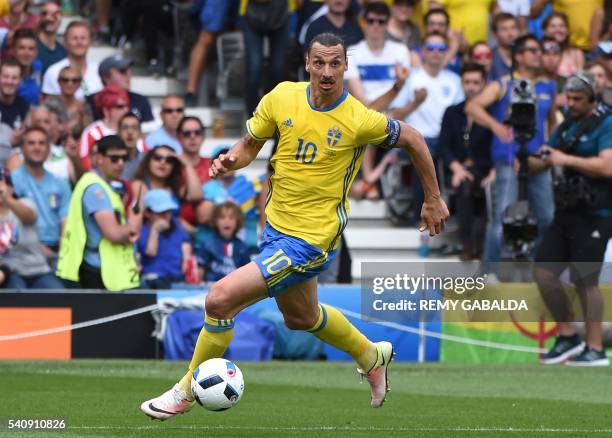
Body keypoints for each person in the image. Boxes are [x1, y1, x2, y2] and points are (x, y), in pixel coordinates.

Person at [140, 32, 448, 419]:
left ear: (346, 67)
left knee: (219, 299)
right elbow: (249, 145)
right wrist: (230, 160)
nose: (327, 71)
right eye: (319, 62)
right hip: (276, 232)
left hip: (311, 241)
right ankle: (372, 355)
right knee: (301, 317)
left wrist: (432, 198)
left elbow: (415, 139)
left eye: (335, 63)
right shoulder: (281, 96)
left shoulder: (358, 118)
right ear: (307, 63)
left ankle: (185, 390)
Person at [529, 72, 612, 366]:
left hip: (597, 212)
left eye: (578, 99)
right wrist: (525, 153)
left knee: (584, 280)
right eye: (569, 98)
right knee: (543, 272)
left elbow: (607, 165)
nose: (571, 103)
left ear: (592, 98)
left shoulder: (606, 122)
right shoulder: (566, 126)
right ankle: (567, 336)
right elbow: (544, 157)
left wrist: (565, 160)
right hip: (565, 211)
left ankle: (596, 348)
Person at [466, 34, 556, 271]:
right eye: (533, 50)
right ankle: (487, 274)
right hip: (508, 158)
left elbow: (553, 124)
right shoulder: (502, 84)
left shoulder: (548, 86)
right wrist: (495, 126)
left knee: (547, 217)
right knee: (501, 219)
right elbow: (472, 107)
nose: (539, 54)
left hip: (538, 160)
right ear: (519, 56)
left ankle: (538, 269)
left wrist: (551, 151)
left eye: (540, 50)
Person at [390, 33, 464, 222]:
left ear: (447, 53)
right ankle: (421, 217)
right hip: (417, 139)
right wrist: (416, 103)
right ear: (423, 51)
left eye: (441, 49)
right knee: (423, 153)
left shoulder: (454, 80)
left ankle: (453, 215)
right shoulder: (412, 78)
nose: (436, 53)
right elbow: (395, 115)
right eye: (431, 48)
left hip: (447, 139)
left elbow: (461, 114)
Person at [56, 135, 141, 291]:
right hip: (96, 269)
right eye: (114, 158)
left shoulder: (102, 185)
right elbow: (113, 234)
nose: (121, 163)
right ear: (99, 158)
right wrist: (132, 224)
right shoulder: (96, 189)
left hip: (103, 267)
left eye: (124, 158)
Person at [438, 62, 494, 260]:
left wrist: (494, 172)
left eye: (476, 82)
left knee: (487, 191)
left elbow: (501, 144)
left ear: (484, 84)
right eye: (467, 82)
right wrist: (456, 168)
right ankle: (469, 245)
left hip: (487, 170)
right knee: (465, 188)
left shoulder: (493, 113)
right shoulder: (452, 112)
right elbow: (443, 146)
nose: (471, 86)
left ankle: (483, 247)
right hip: (459, 170)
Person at [9, 125, 71, 263]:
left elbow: (65, 223)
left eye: (42, 143)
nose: (37, 147)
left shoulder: (60, 183)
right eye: (31, 143)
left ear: (48, 149)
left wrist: (63, 254)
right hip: (21, 251)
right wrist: (37, 248)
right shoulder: (11, 181)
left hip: (55, 251)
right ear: (22, 149)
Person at [0, 156, 63, 289]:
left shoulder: (25, 203)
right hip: (10, 272)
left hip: (38, 270)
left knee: (58, 294)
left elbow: (29, 217)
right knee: (17, 296)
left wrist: (7, 199)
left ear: (10, 187)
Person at [346, 2, 410, 111]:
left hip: (395, 116)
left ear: (388, 23)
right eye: (371, 21)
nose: (376, 25)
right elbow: (359, 97)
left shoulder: (401, 50)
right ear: (363, 23)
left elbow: (403, 97)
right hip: (364, 115)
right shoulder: (351, 52)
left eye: (381, 21)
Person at [239, 0, 291, 116]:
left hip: (281, 10)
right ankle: (252, 119)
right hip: (250, 9)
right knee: (254, 68)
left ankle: (272, 114)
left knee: (278, 69)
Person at [137, 189, 193, 289]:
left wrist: (186, 258)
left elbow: (185, 242)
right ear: (147, 213)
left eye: (168, 211)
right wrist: (155, 231)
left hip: (176, 278)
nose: (166, 216)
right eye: (161, 212)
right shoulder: (144, 230)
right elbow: (151, 252)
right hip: (154, 279)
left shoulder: (175, 224)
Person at [41, 21, 103, 100]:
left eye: (83, 38)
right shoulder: (53, 71)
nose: (79, 42)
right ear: (65, 42)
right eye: (74, 38)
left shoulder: (100, 70)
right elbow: (47, 104)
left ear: (90, 42)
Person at [87, 55, 153, 123]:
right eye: (122, 71)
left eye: (129, 71)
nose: (128, 75)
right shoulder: (90, 102)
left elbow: (148, 131)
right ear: (106, 77)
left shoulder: (141, 100)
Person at [79, 84, 130, 169]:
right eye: (120, 106)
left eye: (127, 106)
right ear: (106, 110)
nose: (126, 110)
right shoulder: (92, 133)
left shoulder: (133, 129)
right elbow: (85, 164)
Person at [200, 201, 250, 282]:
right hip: (211, 286)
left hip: (234, 287)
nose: (227, 221)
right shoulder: (208, 244)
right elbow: (201, 268)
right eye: (222, 217)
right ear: (215, 221)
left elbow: (247, 273)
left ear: (237, 222)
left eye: (231, 217)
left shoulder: (242, 247)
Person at [177, 116, 210, 236]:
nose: (192, 137)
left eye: (197, 133)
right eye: (187, 134)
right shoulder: (170, 166)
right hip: (176, 230)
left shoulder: (213, 165)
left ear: (203, 137)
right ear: (179, 138)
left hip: (210, 231)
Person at [43, 65, 93, 134]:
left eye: (74, 80)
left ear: (79, 83)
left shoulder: (83, 106)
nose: (70, 83)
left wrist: (82, 115)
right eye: (65, 80)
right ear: (59, 82)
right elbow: (49, 131)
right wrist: (76, 119)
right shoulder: (49, 104)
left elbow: (90, 131)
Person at [0, 59, 30, 166]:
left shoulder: (24, 105)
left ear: (20, 80)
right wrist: (8, 142)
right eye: (5, 77)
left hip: (17, 160)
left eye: (14, 78)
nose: (9, 81)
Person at [542, 12, 585, 78]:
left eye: (562, 26)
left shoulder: (576, 52)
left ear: (567, 30)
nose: (558, 30)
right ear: (545, 30)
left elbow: (581, 79)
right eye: (553, 26)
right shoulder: (539, 50)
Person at [36, 1, 66, 75]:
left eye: (55, 14)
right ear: (38, 17)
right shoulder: (29, 48)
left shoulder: (64, 52)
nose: (49, 18)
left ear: (61, 19)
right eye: (45, 14)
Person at [13, 28, 41, 105]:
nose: (26, 53)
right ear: (14, 50)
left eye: (31, 49)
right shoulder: (6, 75)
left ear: (36, 52)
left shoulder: (38, 67)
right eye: (22, 48)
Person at [489, 13, 520, 82]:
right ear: (495, 34)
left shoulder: (525, 55)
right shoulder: (489, 57)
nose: (510, 33)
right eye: (504, 29)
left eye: (513, 28)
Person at [118, 112, 147, 180]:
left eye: (134, 128)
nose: (130, 132)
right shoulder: (111, 161)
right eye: (125, 128)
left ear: (140, 133)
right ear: (118, 132)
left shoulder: (146, 162)